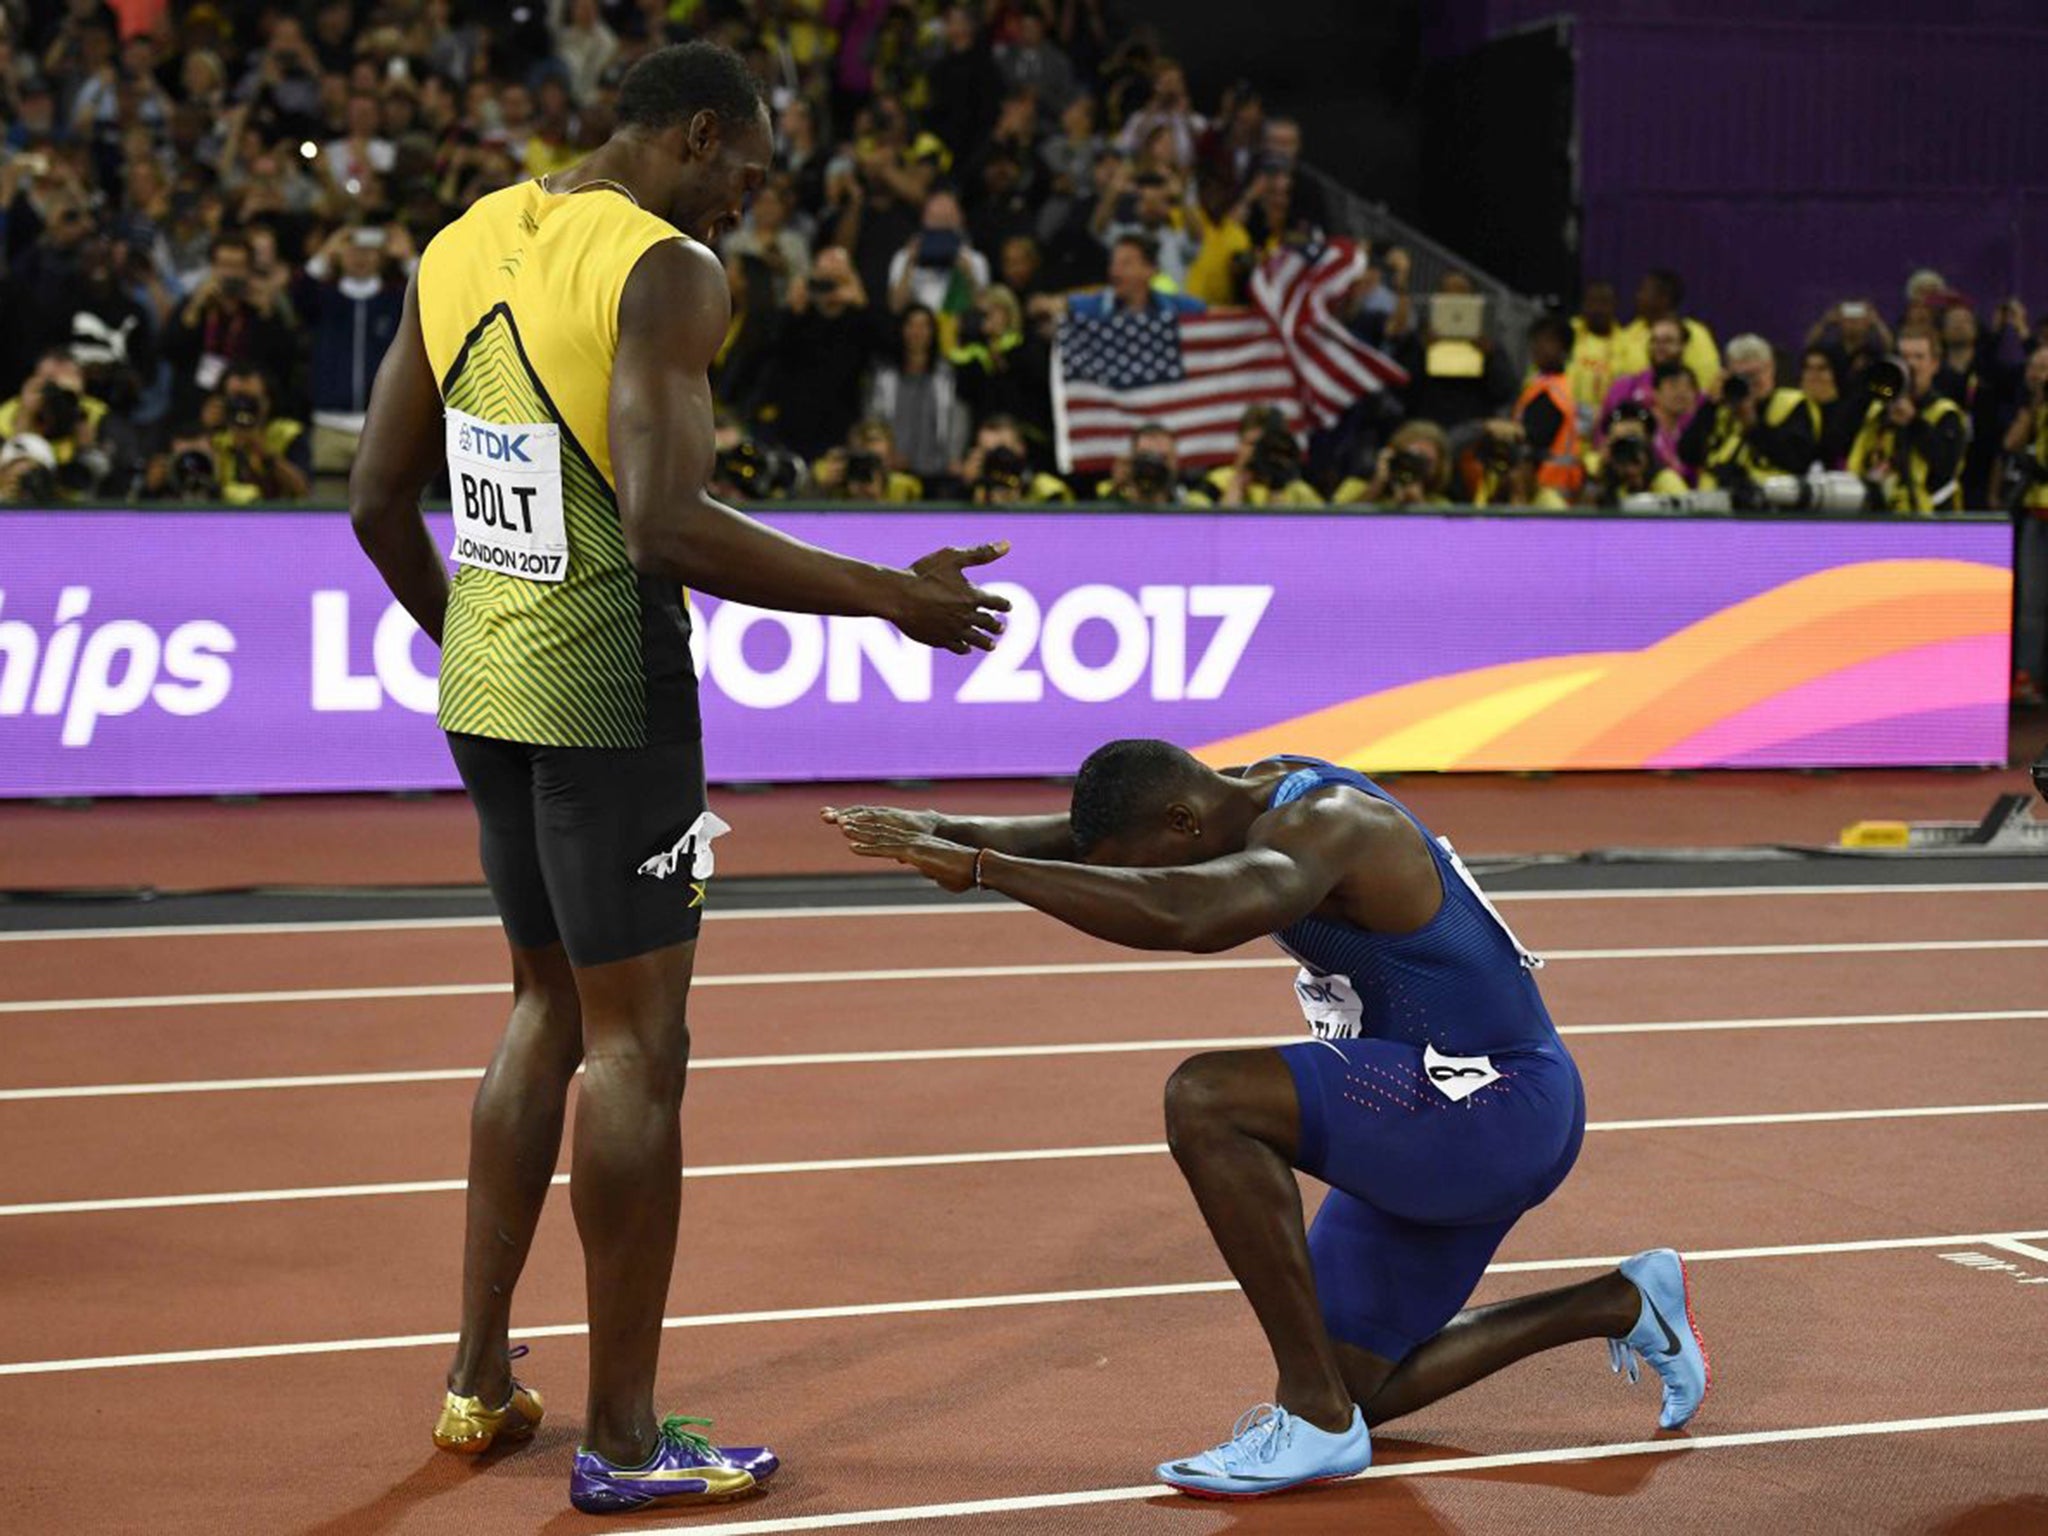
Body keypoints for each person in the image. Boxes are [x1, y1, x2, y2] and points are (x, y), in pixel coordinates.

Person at [347, 41, 1010, 1518]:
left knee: (541, 1007)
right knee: (642, 1050)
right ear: (699, 137)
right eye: (751, 178)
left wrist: (470, 631)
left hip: (488, 685)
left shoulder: (459, 242)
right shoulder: (663, 268)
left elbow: (376, 500)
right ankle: (629, 1440)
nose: (751, 212)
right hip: (610, 691)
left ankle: (477, 1383)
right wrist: (888, 595)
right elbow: (663, 525)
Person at [825, 740, 1707, 1498]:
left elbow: (1195, 912)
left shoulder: (1331, 824)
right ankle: (1621, 1301)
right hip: (1431, 1104)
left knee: (1208, 1099)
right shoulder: (1227, 802)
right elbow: (1080, 841)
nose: (1152, 873)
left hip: (1490, 1105)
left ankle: (1312, 1420)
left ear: (1183, 824)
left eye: (1156, 859)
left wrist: (986, 870)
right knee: (1364, 1385)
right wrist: (936, 831)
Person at [1848, 328, 1968, 514]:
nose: (1911, 364)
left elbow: (1946, 468)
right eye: (1905, 356)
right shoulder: (1877, 410)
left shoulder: (1945, 413)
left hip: (1930, 520)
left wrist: (1914, 422)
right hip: (1878, 516)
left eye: (1919, 357)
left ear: (1934, 364)